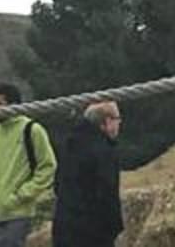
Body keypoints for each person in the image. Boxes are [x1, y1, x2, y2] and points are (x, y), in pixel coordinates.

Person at [0, 83, 58, 247]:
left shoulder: (32, 130)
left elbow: (48, 167)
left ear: (13, 105)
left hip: (15, 215)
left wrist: (22, 195)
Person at [51, 101, 124, 247]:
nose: (119, 124)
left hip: (64, 226)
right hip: (93, 232)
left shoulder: (70, 145)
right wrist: (115, 227)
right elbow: (107, 193)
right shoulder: (103, 151)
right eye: (118, 119)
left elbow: (58, 184)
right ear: (107, 121)